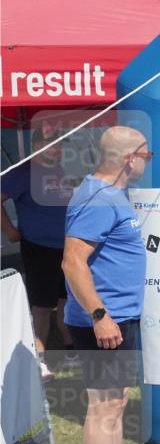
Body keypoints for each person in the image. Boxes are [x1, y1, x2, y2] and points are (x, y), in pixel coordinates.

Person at [62, 126, 150, 444]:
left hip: (119, 316)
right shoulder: (97, 199)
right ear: (129, 160)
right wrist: (100, 317)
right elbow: (72, 262)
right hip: (105, 320)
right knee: (104, 406)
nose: (148, 161)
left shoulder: (110, 194)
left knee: (117, 400)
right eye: (146, 155)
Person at [1, 129, 77, 378]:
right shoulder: (23, 173)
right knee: (42, 306)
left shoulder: (65, 172)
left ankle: (71, 351)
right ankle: (39, 359)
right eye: (50, 144)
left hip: (68, 248)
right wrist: (10, 230)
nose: (56, 149)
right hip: (39, 249)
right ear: (36, 146)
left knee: (68, 302)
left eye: (60, 144)